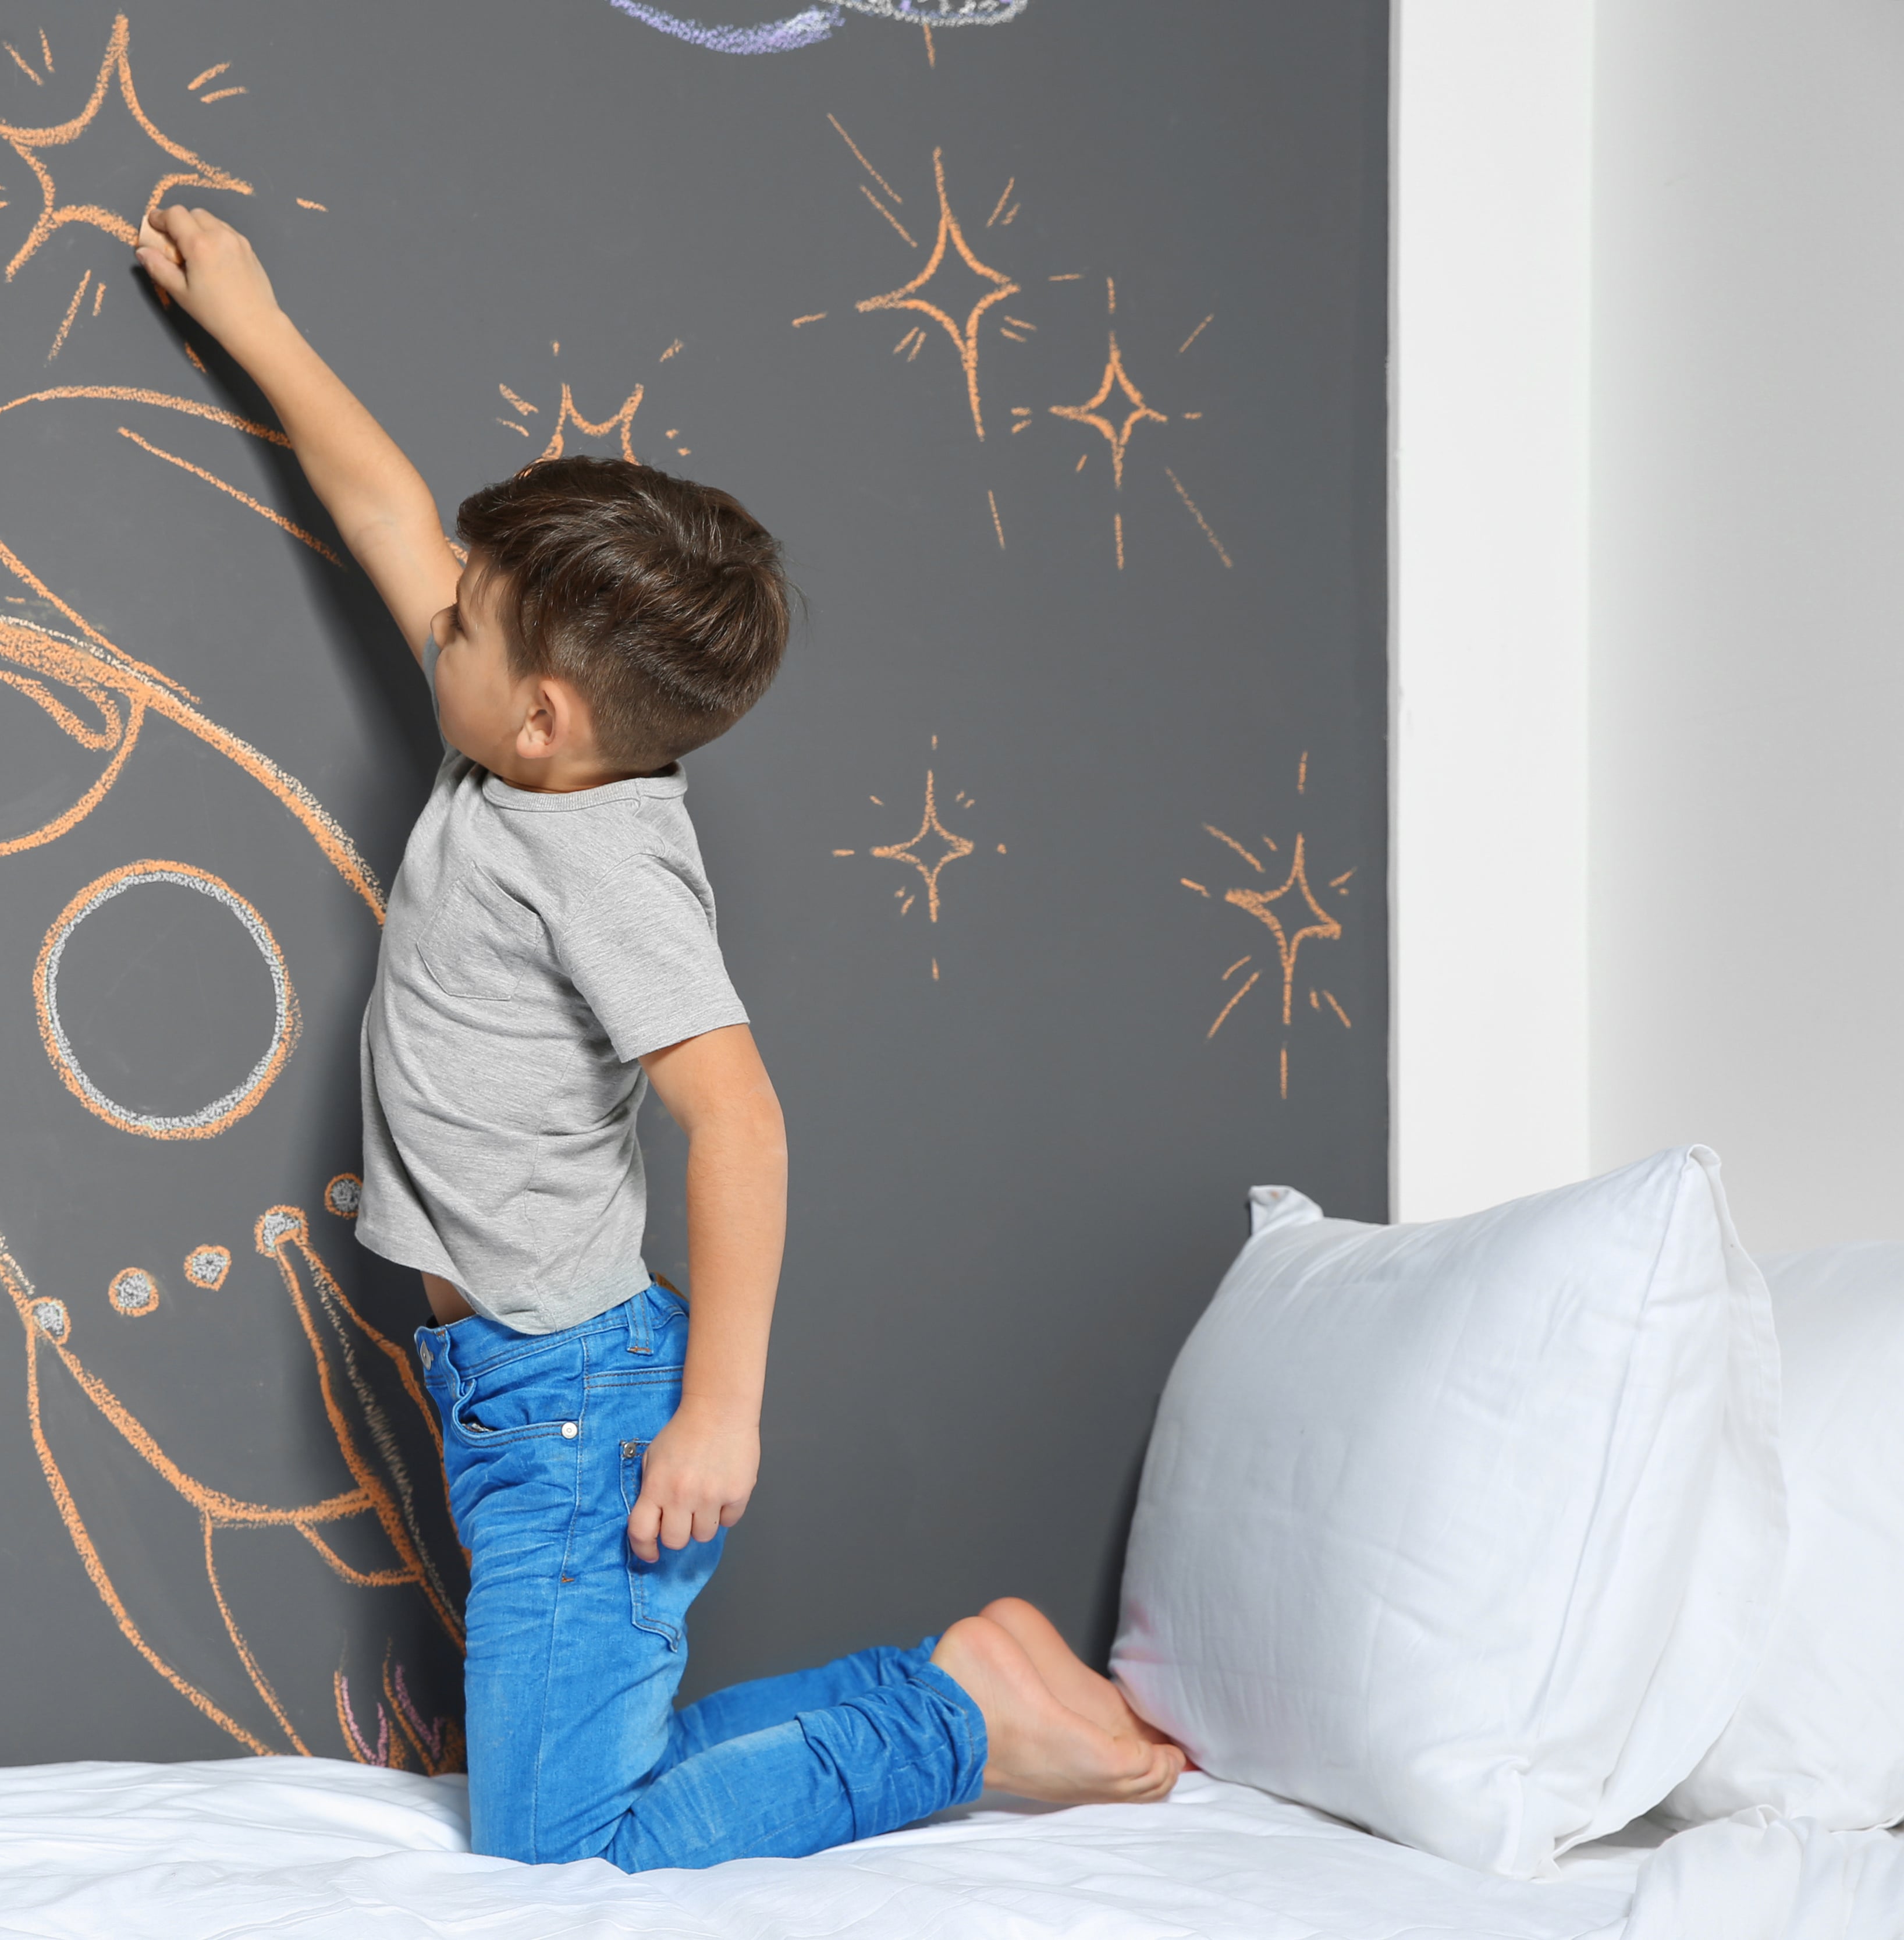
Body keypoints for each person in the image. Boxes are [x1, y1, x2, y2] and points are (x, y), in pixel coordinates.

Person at [132, 204, 1184, 1871]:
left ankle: (957, 1720)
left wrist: (722, 1411)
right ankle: (961, 1686)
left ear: (543, 714)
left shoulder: (605, 859)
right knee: (574, 1792)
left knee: (559, 1852)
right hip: (512, 1388)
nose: (440, 623)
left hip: (582, 1403)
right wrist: (253, 322)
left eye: (464, 623)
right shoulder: (523, 748)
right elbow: (391, 509)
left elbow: (742, 1121)